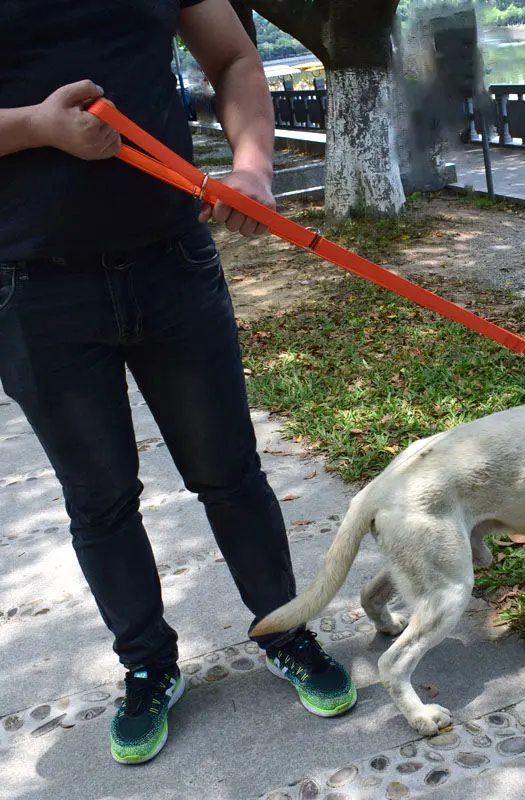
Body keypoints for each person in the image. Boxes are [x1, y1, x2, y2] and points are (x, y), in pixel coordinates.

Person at [0, 0, 356, 765]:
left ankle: (285, 628)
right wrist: (36, 126)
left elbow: (232, 59)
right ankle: (147, 665)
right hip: (34, 290)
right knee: (99, 499)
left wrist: (254, 168)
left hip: (174, 265)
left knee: (229, 473)